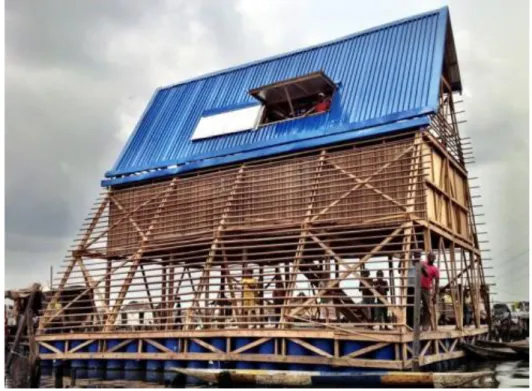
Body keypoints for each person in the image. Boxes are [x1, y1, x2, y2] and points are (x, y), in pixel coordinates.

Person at [421, 252, 439, 331]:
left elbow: (437, 283)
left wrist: (435, 295)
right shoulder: (423, 263)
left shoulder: (435, 269)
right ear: (427, 257)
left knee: (427, 308)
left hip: (426, 289)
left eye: (433, 257)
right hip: (418, 288)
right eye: (430, 257)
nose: (431, 258)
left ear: (435, 259)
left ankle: (425, 325)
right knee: (415, 307)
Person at [406, 250, 421, 328]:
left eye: (418, 255)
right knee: (409, 306)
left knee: (416, 306)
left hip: (416, 287)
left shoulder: (420, 263)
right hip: (409, 287)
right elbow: (399, 269)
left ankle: (415, 323)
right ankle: (409, 323)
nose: (417, 256)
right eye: (415, 254)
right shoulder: (408, 262)